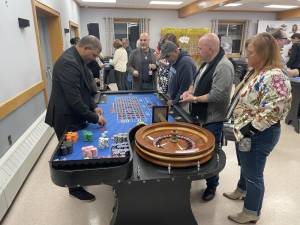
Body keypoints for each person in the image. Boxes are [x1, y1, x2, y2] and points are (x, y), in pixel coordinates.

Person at [223, 33, 291, 224]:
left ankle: (251, 212)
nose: (246, 57)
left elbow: (274, 112)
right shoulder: (257, 71)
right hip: (245, 131)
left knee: (254, 174)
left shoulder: (275, 76)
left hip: (259, 134)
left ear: (263, 53)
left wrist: (247, 131)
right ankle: (241, 190)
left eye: (250, 53)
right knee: (245, 164)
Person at [45, 35, 106, 201]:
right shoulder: (68, 63)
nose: (94, 59)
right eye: (93, 55)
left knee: (79, 149)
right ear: (85, 48)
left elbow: (84, 90)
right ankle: (74, 188)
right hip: (65, 116)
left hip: (73, 113)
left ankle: (80, 179)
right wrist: (94, 117)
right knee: (70, 154)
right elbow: (74, 100)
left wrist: (94, 107)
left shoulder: (79, 59)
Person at [180, 33, 234, 201]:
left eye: (200, 47)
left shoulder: (223, 66)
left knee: (211, 154)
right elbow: (195, 82)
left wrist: (194, 98)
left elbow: (217, 96)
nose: (198, 50)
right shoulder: (206, 63)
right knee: (197, 149)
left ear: (210, 49)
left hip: (212, 120)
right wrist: (190, 90)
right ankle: (198, 175)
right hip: (199, 117)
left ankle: (212, 186)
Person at [160, 41, 196, 111]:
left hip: (182, 103)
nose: (166, 59)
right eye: (165, 57)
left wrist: (174, 102)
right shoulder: (174, 60)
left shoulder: (186, 63)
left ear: (176, 51)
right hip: (175, 100)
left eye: (168, 56)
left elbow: (185, 88)